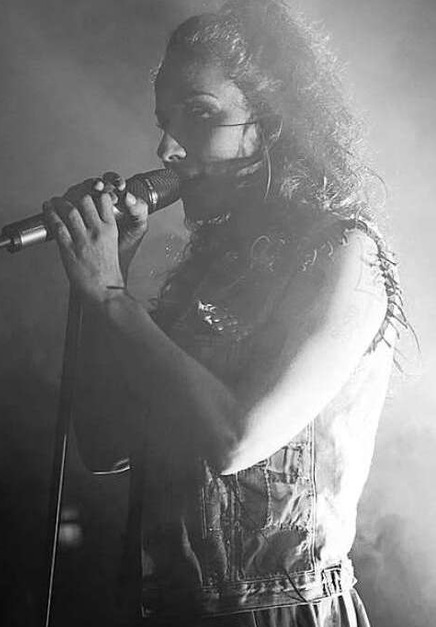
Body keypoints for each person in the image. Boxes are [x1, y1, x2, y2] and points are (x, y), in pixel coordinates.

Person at [41, 1, 407, 625]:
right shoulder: (210, 268)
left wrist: (113, 298)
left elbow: (239, 439)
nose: (167, 148)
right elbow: (103, 447)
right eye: (165, 122)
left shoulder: (346, 254)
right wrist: (107, 281)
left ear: (271, 125)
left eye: (199, 114)